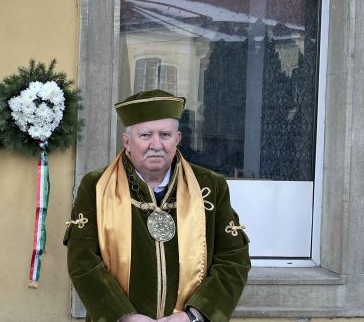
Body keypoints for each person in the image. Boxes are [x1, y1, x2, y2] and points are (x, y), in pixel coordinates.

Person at [65, 89, 250, 322]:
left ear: (177, 139)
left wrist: (193, 316)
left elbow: (233, 258)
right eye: (145, 135)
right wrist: (125, 316)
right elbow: (83, 261)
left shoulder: (210, 186)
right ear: (127, 141)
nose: (156, 144)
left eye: (165, 135)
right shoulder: (96, 186)